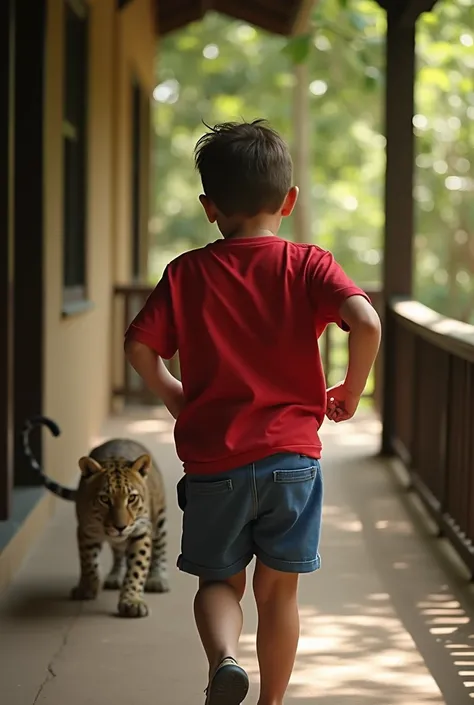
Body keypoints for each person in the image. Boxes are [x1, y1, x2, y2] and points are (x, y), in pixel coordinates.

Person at [124, 119, 381, 705]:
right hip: (292, 459)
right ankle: (271, 704)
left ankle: (224, 661)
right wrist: (352, 388)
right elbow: (366, 322)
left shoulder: (187, 272)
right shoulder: (309, 264)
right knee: (278, 593)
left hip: (215, 462)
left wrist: (174, 394)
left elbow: (139, 348)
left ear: (209, 207)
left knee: (219, 580)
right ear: (289, 201)